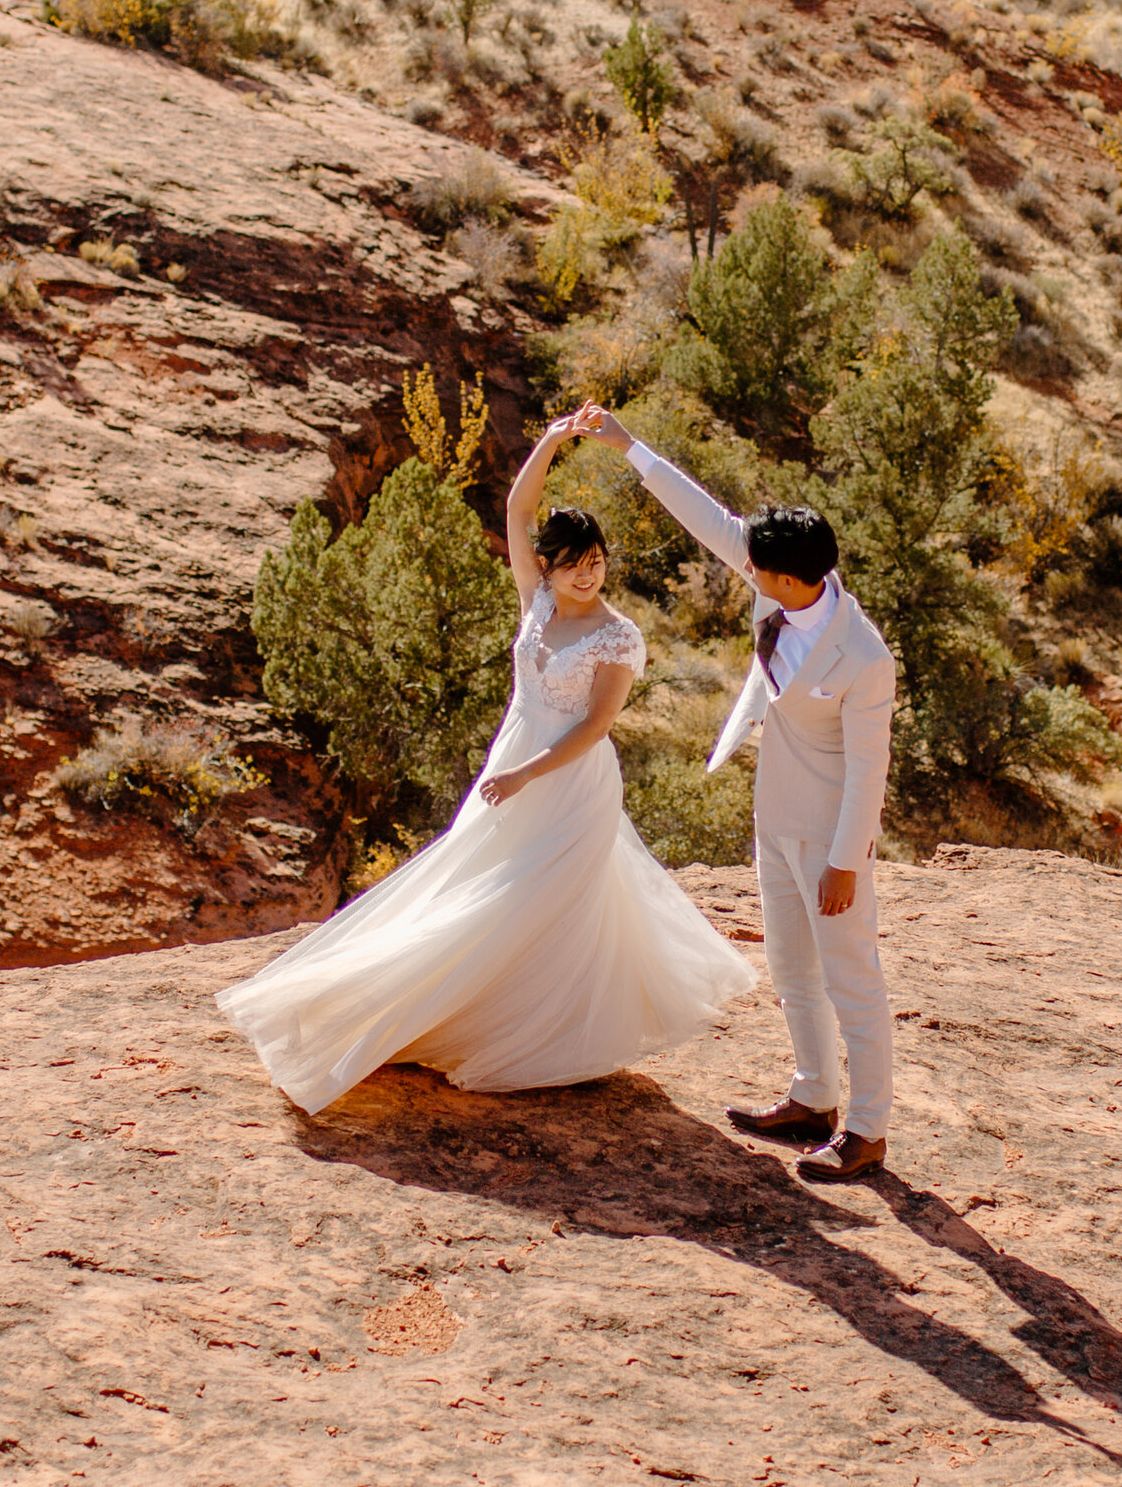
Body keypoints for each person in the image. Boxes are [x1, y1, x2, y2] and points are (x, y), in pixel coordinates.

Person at [215, 411, 753, 1115]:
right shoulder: (534, 600)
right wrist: (556, 439)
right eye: (574, 563)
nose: (588, 574)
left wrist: (528, 775)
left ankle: (533, 1030)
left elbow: (595, 726)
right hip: (513, 756)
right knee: (474, 882)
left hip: (565, 779)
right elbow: (516, 506)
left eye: (597, 561)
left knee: (528, 899)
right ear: (550, 564)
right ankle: (437, 1008)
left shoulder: (617, 638)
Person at [578, 410, 897, 1183]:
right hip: (774, 815)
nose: (743, 568)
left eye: (755, 568)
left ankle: (867, 1130)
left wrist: (846, 862)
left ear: (793, 578)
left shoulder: (863, 656)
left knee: (851, 977)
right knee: (791, 970)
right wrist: (630, 447)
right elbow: (709, 521)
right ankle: (814, 1098)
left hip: (829, 835)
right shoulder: (776, 591)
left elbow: (869, 769)